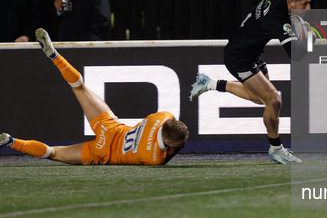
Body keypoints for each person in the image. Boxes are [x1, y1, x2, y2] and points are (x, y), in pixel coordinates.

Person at [0, 28, 189, 165]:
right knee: (54, 152)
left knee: (79, 87)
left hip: (111, 128)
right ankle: (11, 141)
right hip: (102, 151)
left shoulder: (162, 117)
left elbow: (171, 124)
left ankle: (56, 56)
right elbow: (168, 153)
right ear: (167, 143)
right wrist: (174, 146)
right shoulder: (154, 158)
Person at [189, 0, 312, 164]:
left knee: (259, 99)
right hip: (240, 57)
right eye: (305, 4)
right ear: (290, 2)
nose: (308, 9)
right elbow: (297, 55)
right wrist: (307, 37)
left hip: (253, 52)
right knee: (273, 100)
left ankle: (210, 83)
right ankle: (276, 149)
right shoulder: (278, 20)